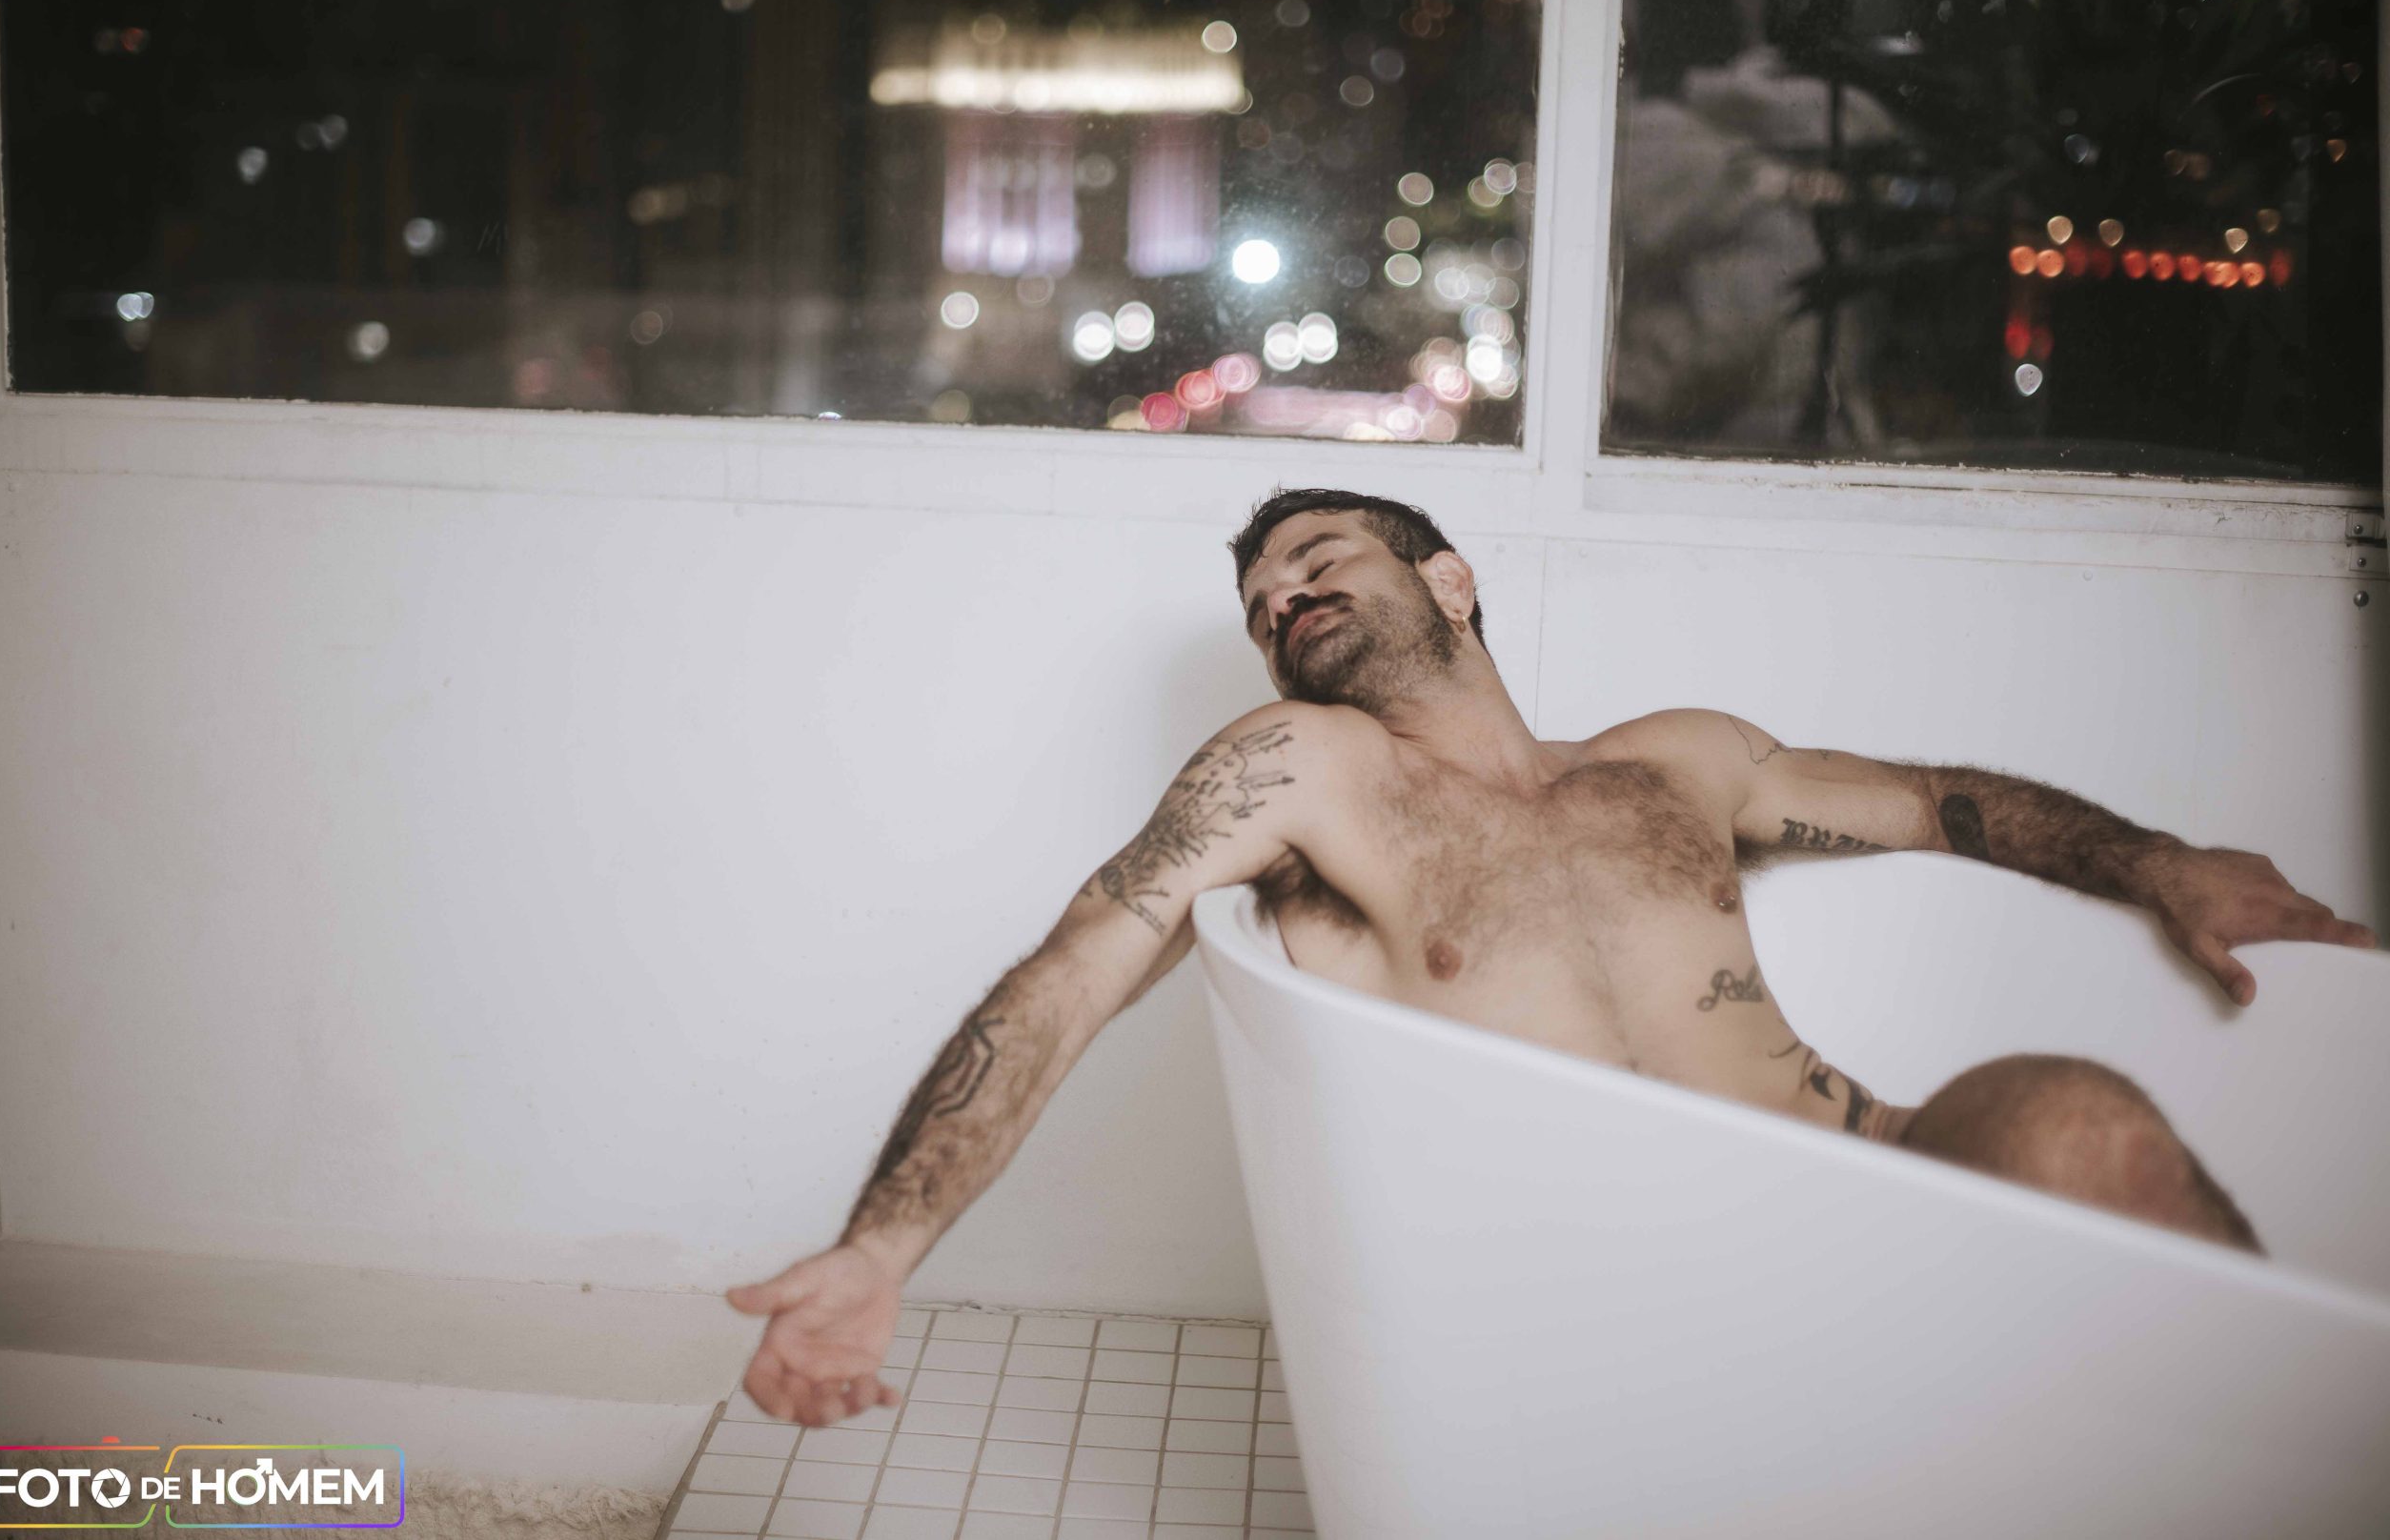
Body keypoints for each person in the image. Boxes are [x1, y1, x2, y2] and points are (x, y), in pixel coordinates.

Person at [726, 486, 2378, 1427]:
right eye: (1261, 602)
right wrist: (881, 1248)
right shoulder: (1302, 772)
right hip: (1594, 1291)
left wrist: (2165, 865)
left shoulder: (1678, 758)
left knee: (2078, 1113)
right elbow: (1075, 967)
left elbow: (1940, 802)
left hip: (1863, 1193)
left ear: (1448, 579)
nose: (1281, 600)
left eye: (1318, 562)